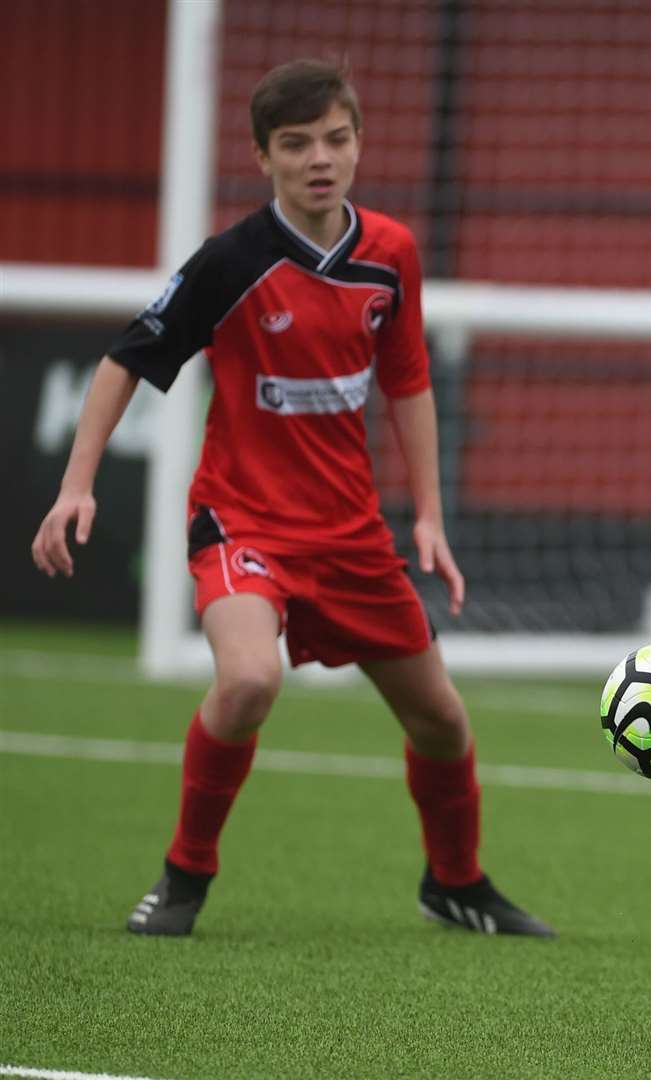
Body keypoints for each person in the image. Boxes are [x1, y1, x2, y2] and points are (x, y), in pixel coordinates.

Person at [29, 59, 553, 940]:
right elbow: (126, 360)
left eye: (336, 139)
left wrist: (426, 514)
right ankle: (184, 880)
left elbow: (409, 381)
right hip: (245, 521)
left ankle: (456, 883)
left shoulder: (391, 254)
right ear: (264, 155)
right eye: (297, 143)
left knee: (441, 718)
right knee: (246, 680)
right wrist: (74, 485)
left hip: (351, 535)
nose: (321, 158)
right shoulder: (229, 262)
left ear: (358, 144)